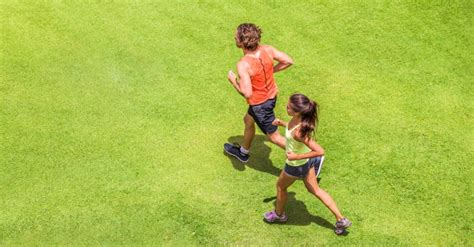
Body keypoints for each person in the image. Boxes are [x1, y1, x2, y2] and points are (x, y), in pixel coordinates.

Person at [263, 93, 352, 235]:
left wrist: (296, 156)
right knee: (315, 190)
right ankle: (341, 219)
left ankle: (279, 215)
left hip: (295, 166)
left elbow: (320, 151)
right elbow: (292, 130)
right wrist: (282, 123)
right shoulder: (297, 121)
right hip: (306, 164)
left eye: (289, 107)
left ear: (298, 112)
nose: (286, 107)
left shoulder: (299, 132)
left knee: (280, 186)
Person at [224, 23, 294, 163]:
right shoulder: (267, 49)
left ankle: (311, 157)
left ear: (242, 42)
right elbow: (288, 61)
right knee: (248, 120)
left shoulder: (243, 64)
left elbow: (247, 93)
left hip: (260, 105)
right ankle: (243, 152)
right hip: (271, 96)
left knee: (274, 137)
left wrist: (234, 82)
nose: (234, 37)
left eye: (236, 36)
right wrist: (270, 70)